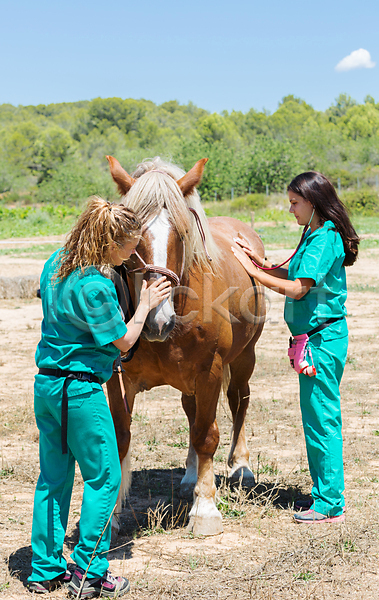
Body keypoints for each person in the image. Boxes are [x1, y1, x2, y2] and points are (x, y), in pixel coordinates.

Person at [27, 197, 171, 595]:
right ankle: (90, 570)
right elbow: (123, 340)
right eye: (130, 247)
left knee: (53, 479)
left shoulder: (56, 260)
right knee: (105, 479)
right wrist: (144, 306)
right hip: (81, 391)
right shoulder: (95, 284)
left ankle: (45, 569)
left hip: (48, 387)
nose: (133, 255)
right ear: (110, 242)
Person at [232, 172, 359, 524]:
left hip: (322, 342)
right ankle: (326, 495)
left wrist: (251, 273)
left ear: (313, 202)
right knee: (317, 419)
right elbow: (291, 270)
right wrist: (257, 261)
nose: (290, 209)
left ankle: (330, 503)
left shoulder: (324, 238)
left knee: (322, 422)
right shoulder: (315, 234)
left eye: (294, 202)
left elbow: (299, 288)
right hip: (313, 339)